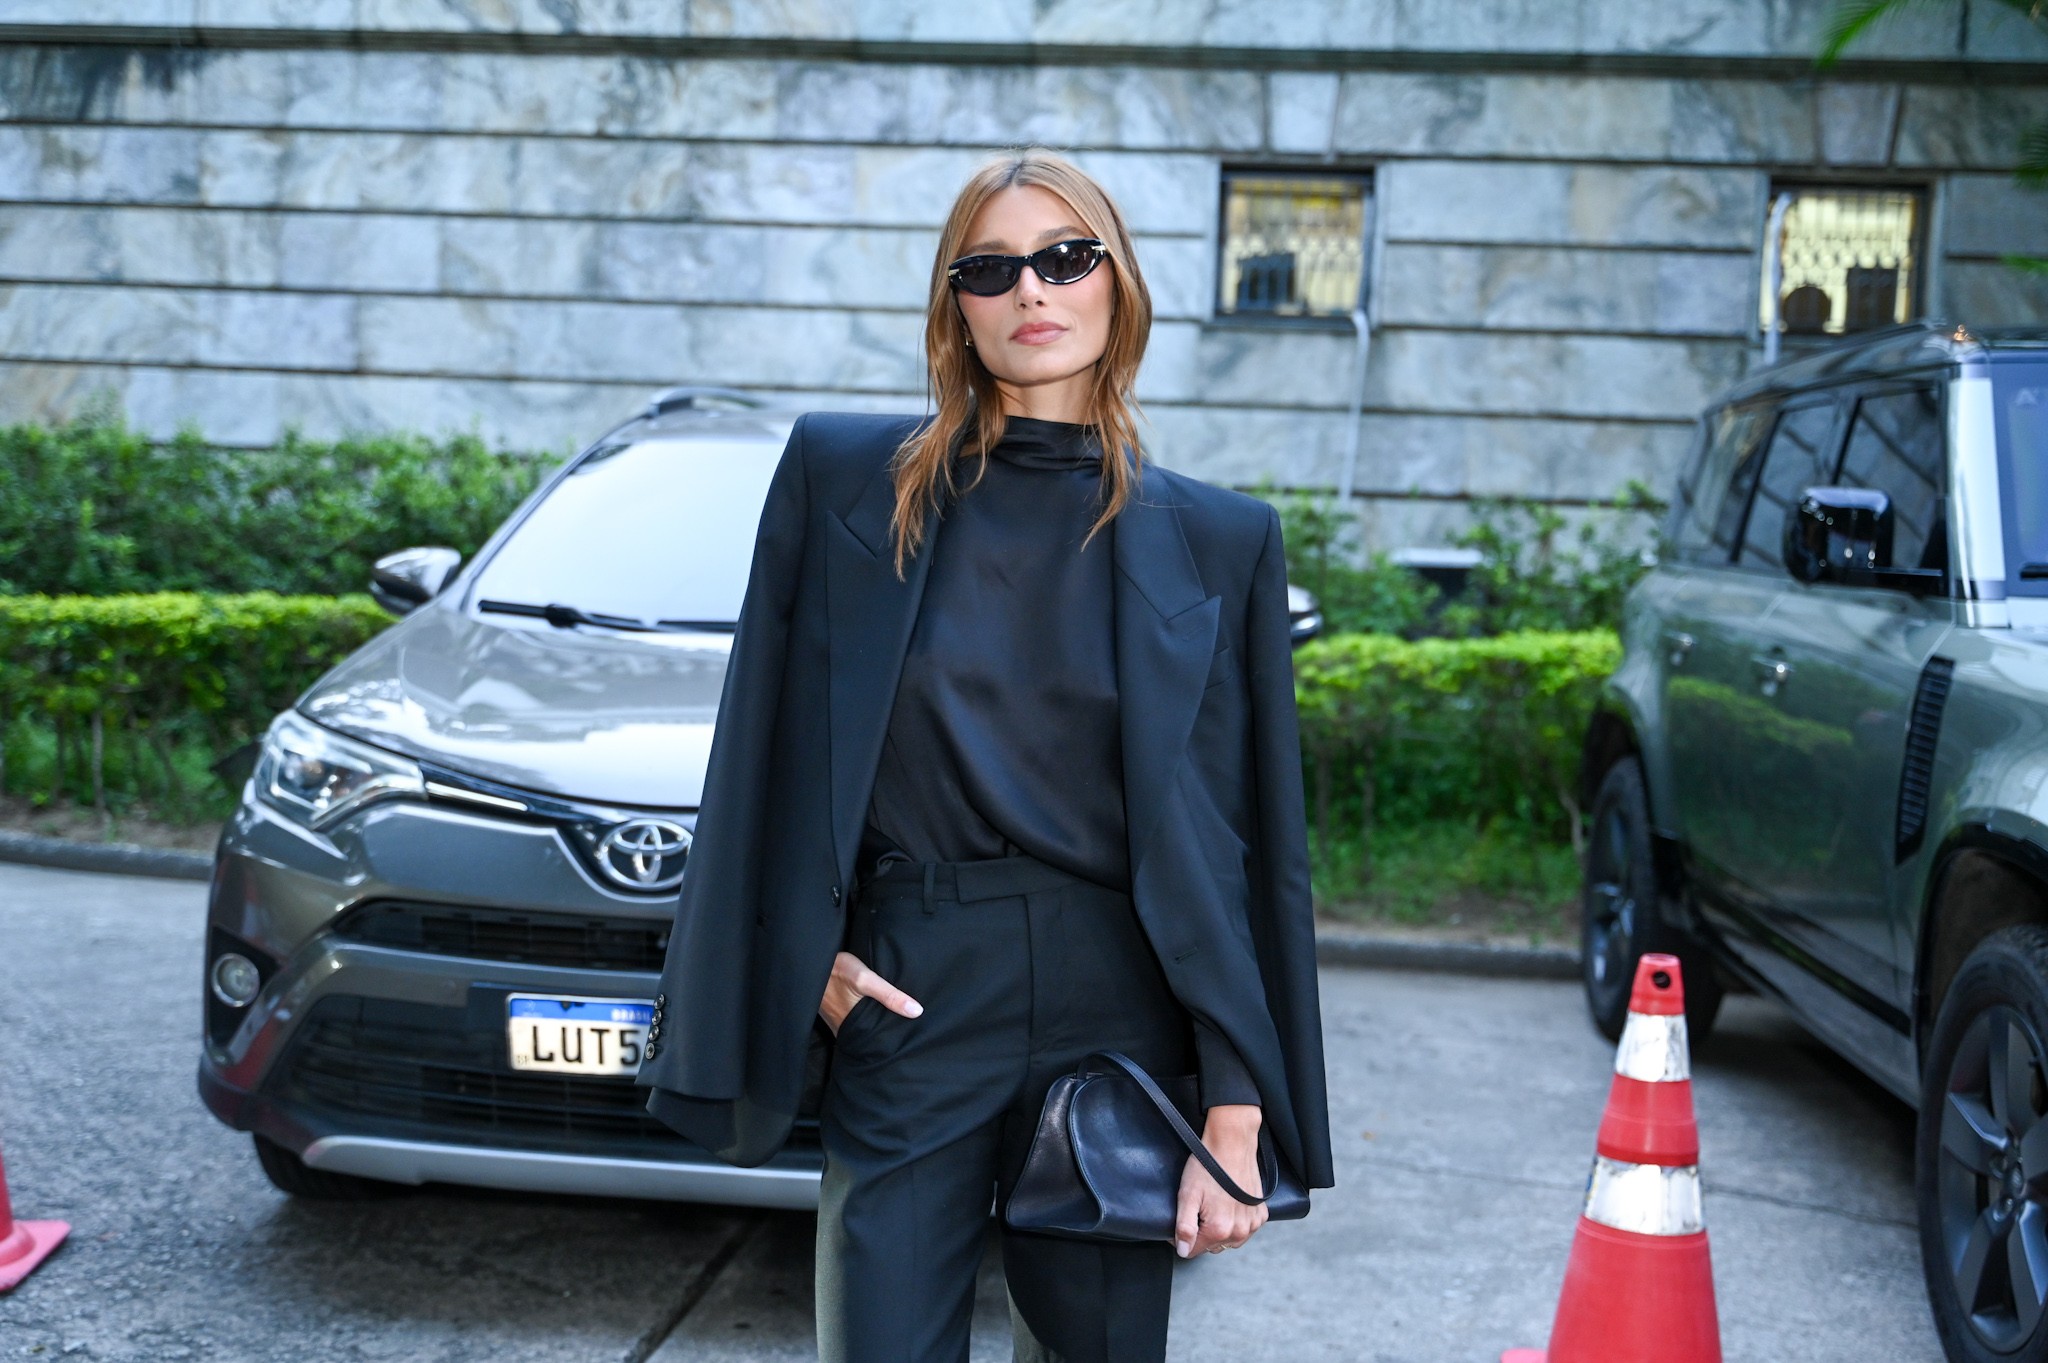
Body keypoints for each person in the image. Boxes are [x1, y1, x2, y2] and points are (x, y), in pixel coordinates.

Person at [637, 147, 1333, 1363]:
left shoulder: (1219, 540)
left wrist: (1235, 1107)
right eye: (992, 267)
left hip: (1124, 1002)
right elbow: (766, 748)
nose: (1033, 291)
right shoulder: (847, 481)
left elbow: (1238, 844)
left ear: (1117, 285)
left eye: (1066, 258)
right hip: (916, 989)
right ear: (953, 305)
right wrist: (807, 961)